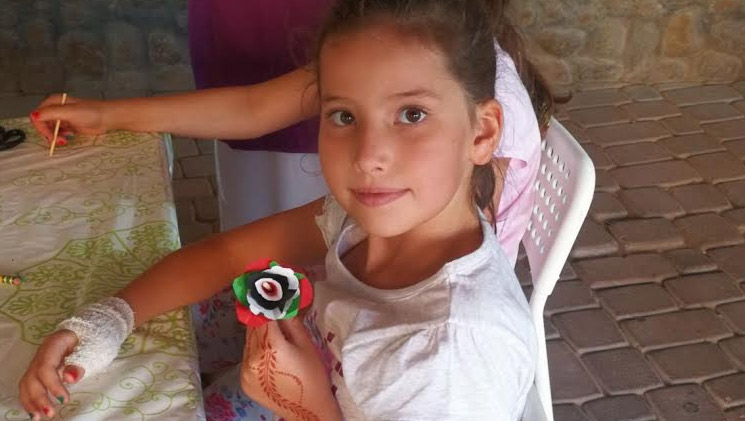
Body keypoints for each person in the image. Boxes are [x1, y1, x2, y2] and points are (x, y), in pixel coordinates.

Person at [20, 0, 541, 419]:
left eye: (412, 115)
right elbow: (229, 254)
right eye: (343, 115)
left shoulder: (450, 357)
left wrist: (305, 407)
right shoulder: (358, 224)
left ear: (484, 133)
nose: (368, 158)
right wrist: (107, 321)